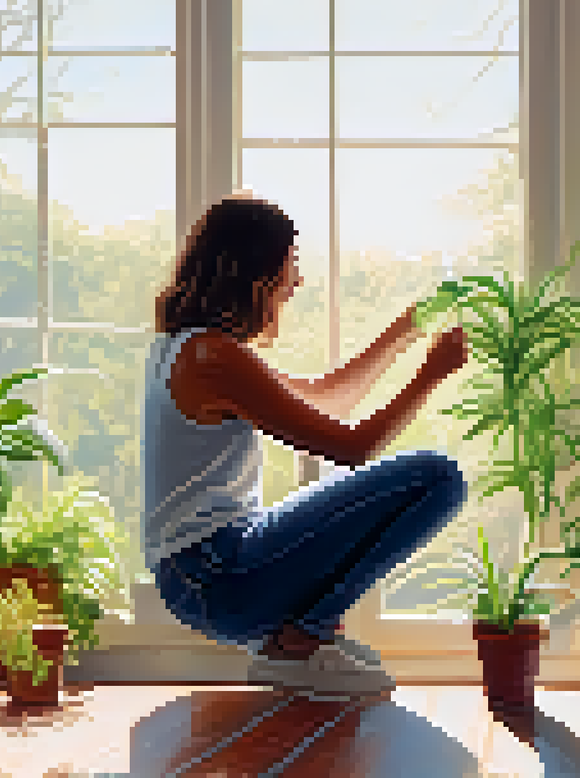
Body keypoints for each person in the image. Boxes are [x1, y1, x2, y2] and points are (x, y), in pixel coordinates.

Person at [143, 194, 470, 698]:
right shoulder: (211, 357)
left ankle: (299, 639)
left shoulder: (191, 346)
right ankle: (301, 640)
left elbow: (326, 399)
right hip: (215, 577)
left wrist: (401, 335)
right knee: (437, 478)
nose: (296, 282)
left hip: (206, 570)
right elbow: (352, 447)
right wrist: (430, 375)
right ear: (256, 274)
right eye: (290, 265)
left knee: (362, 491)